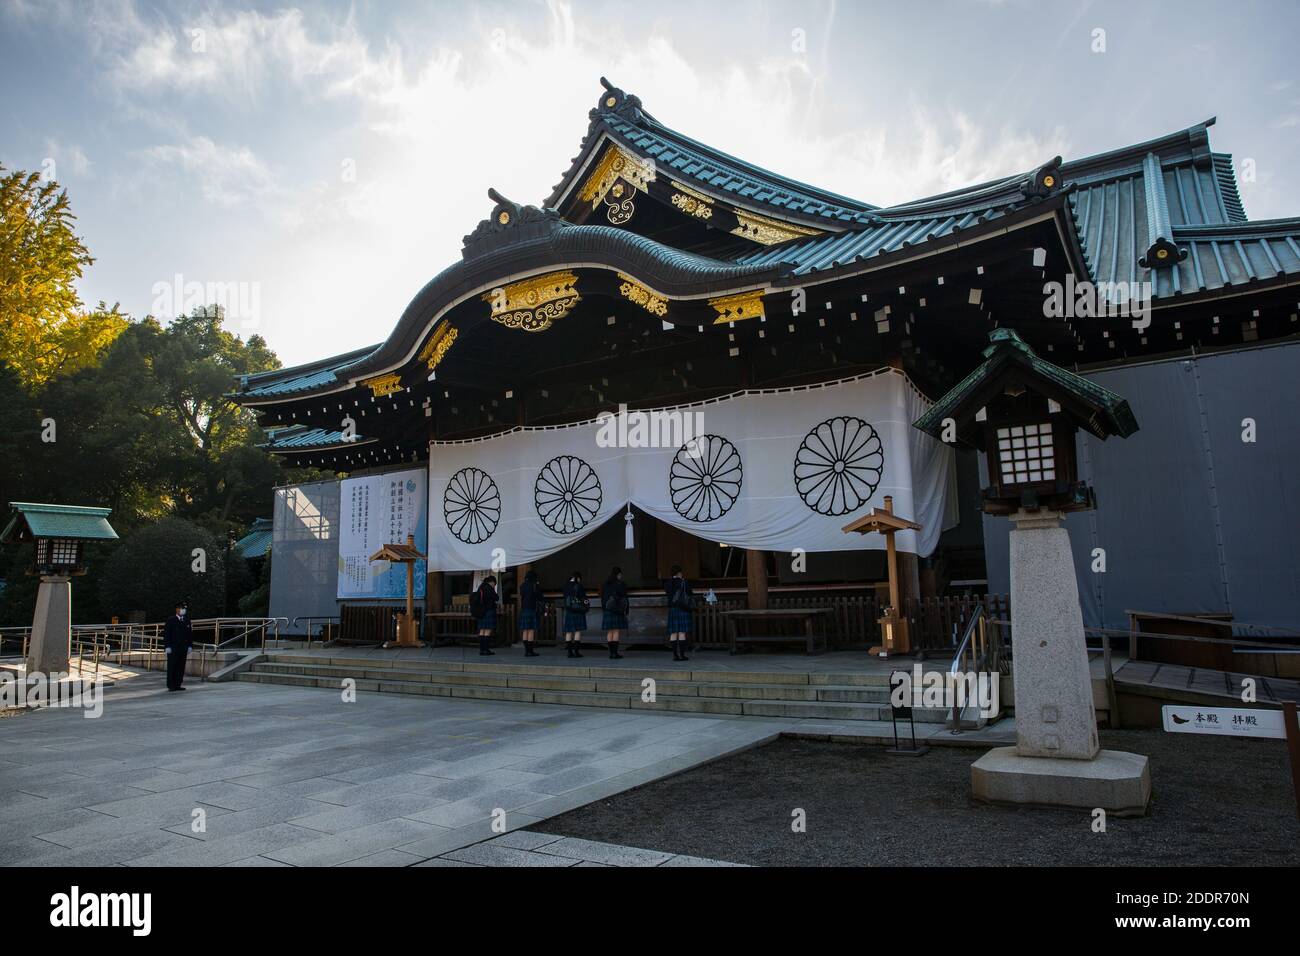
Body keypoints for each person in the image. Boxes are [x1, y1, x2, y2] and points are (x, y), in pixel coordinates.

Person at [665, 565, 692, 661]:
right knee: (682, 633)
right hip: (683, 608)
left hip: (672, 609)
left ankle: (675, 655)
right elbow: (689, 593)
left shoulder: (667, 583)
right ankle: (682, 655)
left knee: (673, 633)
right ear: (679, 573)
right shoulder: (684, 582)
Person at [163, 601, 193, 691]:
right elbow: (167, 634)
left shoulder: (187, 620)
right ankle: (171, 685)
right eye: (181, 608)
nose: (183, 610)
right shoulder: (171, 620)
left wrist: (190, 645)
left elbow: (189, 634)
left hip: (183, 648)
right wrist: (167, 646)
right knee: (172, 666)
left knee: (181, 666)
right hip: (173, 648)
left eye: (184, 608)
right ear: (177, 609)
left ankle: (178, 684)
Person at [601, 566, 628, 659]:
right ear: (619, 574)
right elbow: (624, 597)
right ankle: (615, 653)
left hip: (608, 609)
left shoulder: (606, 583)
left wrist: (604, 608)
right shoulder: (620, 584)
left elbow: (602, 597)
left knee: (609, 631)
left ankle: (611, 653)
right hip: (617, 610)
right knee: (616, 631)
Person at [562, 571, 589, 658]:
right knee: (577, 631)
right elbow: (583, 597)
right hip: (578, 610)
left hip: (569, 611)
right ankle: (576, 652)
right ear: (578, 578)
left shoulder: (566, 586)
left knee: (569, 631)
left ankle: (569, 652)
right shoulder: (578, 586)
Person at [518, 569, 543, 657]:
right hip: (532, 609)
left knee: (525, 630)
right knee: (531, 630)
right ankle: (530, 651)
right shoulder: (534, 585)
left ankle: (526, 651)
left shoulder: (522, 586)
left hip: (524, 609)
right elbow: (539, 596)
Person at [473, 575, 498, 656]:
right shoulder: (489, 588)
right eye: (495, 584)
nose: (494, 585)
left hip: (481, 612)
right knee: (487, 630)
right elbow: (496, 598)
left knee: (482, 630)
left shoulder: (481, 587)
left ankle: (482, 649)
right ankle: (486, 649)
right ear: (492, 582)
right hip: (489, 611)